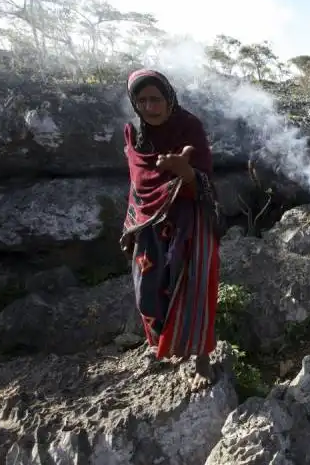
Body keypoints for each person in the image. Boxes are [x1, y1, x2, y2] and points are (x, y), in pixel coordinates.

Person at [119, 69, 224, 390]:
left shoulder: (189, 127)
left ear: (169, 98)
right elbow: (140, 180)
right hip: (148, 220)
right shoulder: (134, 133)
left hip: (188, 217)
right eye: (142, 100)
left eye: (156, 99)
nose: (150, 107)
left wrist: (185, 172)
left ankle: (201, 357)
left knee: (192, 286)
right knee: (147, 288)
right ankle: (164, 344)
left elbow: (205, 179)